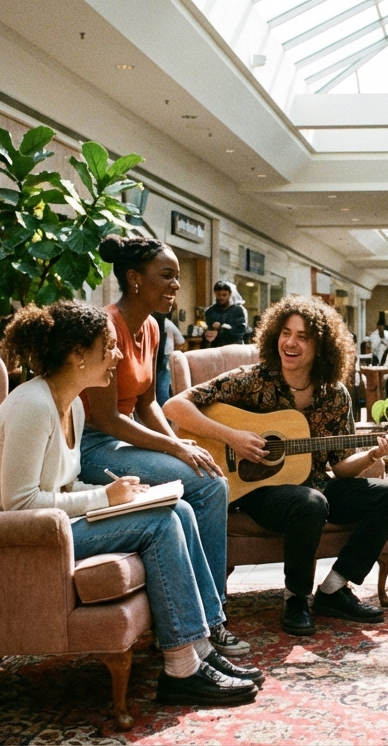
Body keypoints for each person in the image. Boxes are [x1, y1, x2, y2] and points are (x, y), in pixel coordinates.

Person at [0, 301, 262, 706]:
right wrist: (104, 498)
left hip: (49, 525)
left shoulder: (71, 402)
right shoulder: (33, 405)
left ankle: (199, 649)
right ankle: (181, 668)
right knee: (160, 524)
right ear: (77, 355)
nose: (118, 356)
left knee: (175, 508)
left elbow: (61, 482)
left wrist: (125, 497)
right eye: (107, 347)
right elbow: (20, 503)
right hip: (15, 534)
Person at [166, 296, 388, 637]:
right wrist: (232, 436)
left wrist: (373, 455)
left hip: (316, 487)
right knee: (309, 502)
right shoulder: (253, 379)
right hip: (256, 492)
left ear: (321, 345)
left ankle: (334, 589)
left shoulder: (335, 395)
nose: (290, 343)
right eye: (285, 332)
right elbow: (175, 406)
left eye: (303, 336)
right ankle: (296, 597)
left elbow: (339, 469)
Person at [77, 235, 248, 657]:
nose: (175, 285)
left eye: (176, 277)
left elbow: (148, 402)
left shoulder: (152, 326)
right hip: (93, 448)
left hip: (125, 437)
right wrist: (176, 451)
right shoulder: (106, 325)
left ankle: (202, 617)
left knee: (207, 475)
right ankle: (212, 618)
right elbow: (105, 418)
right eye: (166, 276)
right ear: (134, 279)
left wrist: (182, 444)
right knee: (209, 485)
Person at [203, 281, 248, 347]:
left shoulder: (237, 311)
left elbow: (240, 331)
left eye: (224, 295)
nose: (221, 297)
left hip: (234, 348)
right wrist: (212, 329)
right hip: (216, 348)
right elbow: (208, 333)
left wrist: (222, 328)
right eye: (219, 295)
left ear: (230, 294)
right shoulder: (210, 312)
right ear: (215, 294)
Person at [154, 313, 180, 405]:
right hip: (165, 355)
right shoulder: (168, 323)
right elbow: (181, 340)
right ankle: (165, 414)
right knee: (163, 388)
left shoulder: (149, 321)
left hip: (153, 356)